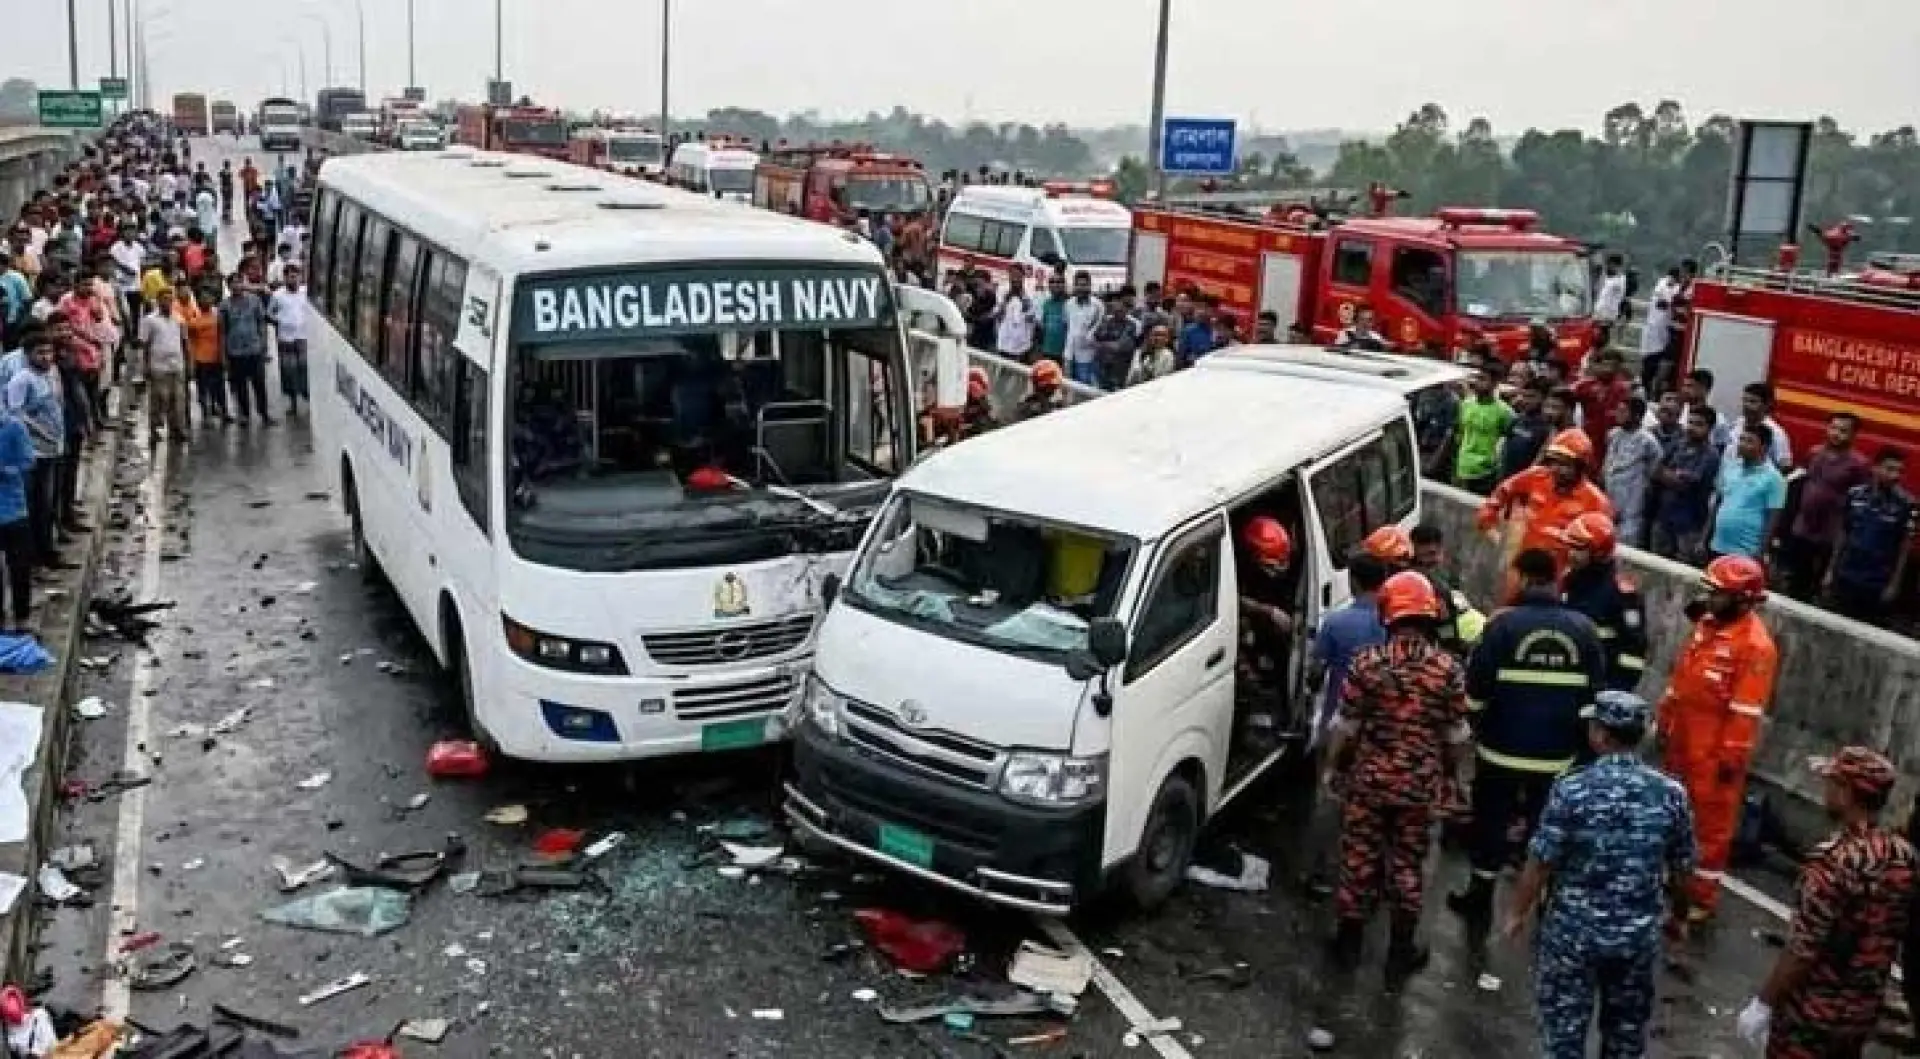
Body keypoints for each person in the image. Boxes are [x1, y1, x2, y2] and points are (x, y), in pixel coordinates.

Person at [1506, 691, 1695, 1059]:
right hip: (1636, 938)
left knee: (1564, 1033)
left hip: (1573, 935)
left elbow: (1541, 860)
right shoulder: (1671, 794)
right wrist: (1679, 917)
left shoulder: (1573, 787)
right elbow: (1683, 869)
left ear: (1600, 735)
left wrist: (1518, 912)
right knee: (1624, 1038)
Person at [1450, 547, 1608, 952]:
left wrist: (1478, 727)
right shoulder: (1584, 630)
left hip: (1500, 750)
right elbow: (1594, 697)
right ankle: (1540, 902)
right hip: (1557, 755)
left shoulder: (1502, 628)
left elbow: (1475, 692)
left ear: (1522, 577)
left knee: (1490, 823)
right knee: (1545, 830)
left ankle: (1479, 898)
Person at [1321, 571, 1471, 981]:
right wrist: (1452, 777)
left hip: (1368, 781)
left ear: (1389, 612)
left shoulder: (1368, 662)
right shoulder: (1448, 670)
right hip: (1419, 786)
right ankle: (1399, 954)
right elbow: (1456, 736)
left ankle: (1348, 945)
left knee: (1359, 858)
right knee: (1407, 863)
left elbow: (1346, 725)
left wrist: (1333, 767)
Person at [1738, 747, 1914, 1058]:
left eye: (1832, 783)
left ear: (1847, 794)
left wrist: (1763, 1003)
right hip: (1861, 1013)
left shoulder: (1831, 862)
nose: (1826, 791)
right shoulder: (1903, 856)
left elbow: (1803, 949)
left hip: (1812, 1014)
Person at [1658, 554, 1778, 924]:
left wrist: (1730, 760)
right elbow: (1683, 679)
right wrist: (1665, 721)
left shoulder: (1756, 647)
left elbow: (1746, 711)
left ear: (1742, 599)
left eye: (1718, 594)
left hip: (1714, 752)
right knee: (1674, 812)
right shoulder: (1708, 626)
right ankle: (1672, 877)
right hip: (1684, 737)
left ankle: (1701, 896)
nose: (1709, 599)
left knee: (1711, 826)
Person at [1477, 429, 1614, 594]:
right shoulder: (1535, 477)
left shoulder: (1596, 502)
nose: (1556, 469)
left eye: (1564, 464)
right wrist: (1490, 527)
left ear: (1580, 466)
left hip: (1560, 580)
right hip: (1523, 570)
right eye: (1554, 462)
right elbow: (1501, 493)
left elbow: (1602, 549)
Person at [1779, 413, 1870, 600]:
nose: (1836, 434)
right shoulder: (1814, 452)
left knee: (1817, 585)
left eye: (1843, 431)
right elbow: (1800, 484)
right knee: (1794, 581)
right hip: (1802, 527)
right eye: (1833, 428)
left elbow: (1859, 502)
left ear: (1853, 435)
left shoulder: (1859, 464)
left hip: (1829, 533)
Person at [1557, 513, 1648, 692]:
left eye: (1579, 549)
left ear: (1598, 553)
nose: (1571, 554)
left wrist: (1614, 691)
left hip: (1597, 685)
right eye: (1571, 547)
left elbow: (1633, 653)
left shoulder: (1621, 595)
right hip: (1566, 678)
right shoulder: (1569, 580)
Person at [1825, 446, 1916, 622]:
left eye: (1899, 471)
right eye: (1890, 469)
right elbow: (1843, 533)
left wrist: (1894, 584)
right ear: (1876, 468)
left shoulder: (1906, 504)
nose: (1895, 476)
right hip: (1847, 573)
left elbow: (1904, 548)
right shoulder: (1855, 494)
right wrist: (1830, 570)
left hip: (1876, 580)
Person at [1236, 515, 1296, 738]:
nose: (1280, 568)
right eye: (1272, 564)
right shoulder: (1239, 571)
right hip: (1251, 631)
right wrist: (1267, 612)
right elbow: (1233, 599)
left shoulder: (1283, 566)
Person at [1651, 405, 1723, 562]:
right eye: (1690, 422)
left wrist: (1670, 475)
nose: (1692, 427)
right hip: (1664, 517)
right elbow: (1656, 471)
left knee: (1681, 574)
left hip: (1689, 524)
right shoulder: (1678, 444)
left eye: (1698, 424)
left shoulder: (1711, 455)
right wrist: (1675, 475)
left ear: (1710, 428)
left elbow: (1687, 485)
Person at [1708, 422, 1788, 562]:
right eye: (1741, 439)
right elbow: (1718, 503)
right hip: (1718, 544)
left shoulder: (1774, 479)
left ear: (1764, 447)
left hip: (1746, 551)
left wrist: (1761, 552)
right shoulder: (1731, 467)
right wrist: (1705, 537)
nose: (1742, 444)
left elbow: (1773, 519)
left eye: (1749, 441)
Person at [1602, 395, 1663, 548]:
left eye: (1623, 411)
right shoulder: (1613, 434)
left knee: (1626, 545)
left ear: (1637, 415)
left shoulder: (1648, 441)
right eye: (1618, 410)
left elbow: (1655, 466)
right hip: (1610, 495)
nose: (1618, 414)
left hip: (1632, 500)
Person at [218, 273, 273, 426]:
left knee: (259, 384)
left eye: (238, 282)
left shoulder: (254, 301)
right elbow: (222, 332)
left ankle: (264, 414)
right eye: (233, 284)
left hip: (254, 349)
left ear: (243, 284)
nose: (236, 286)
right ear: (228, 287)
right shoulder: (224, 306)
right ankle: (245, 415)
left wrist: (264, 344)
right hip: (235, 352)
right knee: (240, 385)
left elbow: (261, 323)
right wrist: (223, 355)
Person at [137, 286, 189, 445]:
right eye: (164, 299)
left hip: (177, 365)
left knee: (178, 399)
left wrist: (189, 363)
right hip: (158, 366)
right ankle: (154, 430)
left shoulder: (179, 319)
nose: (167, 302)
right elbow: (145, 344)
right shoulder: (150, 320)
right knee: (159, 400)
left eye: (170, 299)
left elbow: (185, 342)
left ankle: (177, 429)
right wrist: (144, 366)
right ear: (158, 301)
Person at [0, 393, 34, 633]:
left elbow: (28, 462)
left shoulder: (13, 427)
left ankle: (22, 619)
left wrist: (5, 470)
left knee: (20, 568)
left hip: (14, 510)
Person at [1453, 362, 1512, 494]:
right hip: (1462, 467)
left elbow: (1507, 441)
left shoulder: (1505, 412)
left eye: (1482, 379)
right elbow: (1460, 433)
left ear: (1495, 383)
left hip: (1486, 472)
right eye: (1477, 377)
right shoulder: (1466, 404)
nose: (1476, 382)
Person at [268, 265, 310, 415]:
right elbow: (269, 313)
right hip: (286, 338)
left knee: (304, 367)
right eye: (290, 276)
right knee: (289, 370)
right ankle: (293, 402)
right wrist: (279, 322)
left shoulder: (306, 292)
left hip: (303, 336)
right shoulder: (278, 295)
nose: (293, 279)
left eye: (295, 276)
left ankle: (307, 396)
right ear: (285, 278)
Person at [1061, 272, 1103, 386]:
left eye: (1084, 285)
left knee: (1084, 388)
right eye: (1078, 285)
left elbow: (1100, 329)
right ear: (1074, 286)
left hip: (1087, 356)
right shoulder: (1068, 304)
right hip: (1069, 355)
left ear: (1090, 286)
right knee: (1068, 386)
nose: (1081, 288)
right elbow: (1066, 325)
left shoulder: (1098, 305)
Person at [1592, 254, 1628, 352]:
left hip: (1607, 313)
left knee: (1602, 334)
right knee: (1596, 334)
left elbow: (1616, 290)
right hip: (1599, 312)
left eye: (1610, 265)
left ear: (1616, 265)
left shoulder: (1620, 280)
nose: (1608, 267)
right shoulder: (1610, 278)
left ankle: (1598, 352)